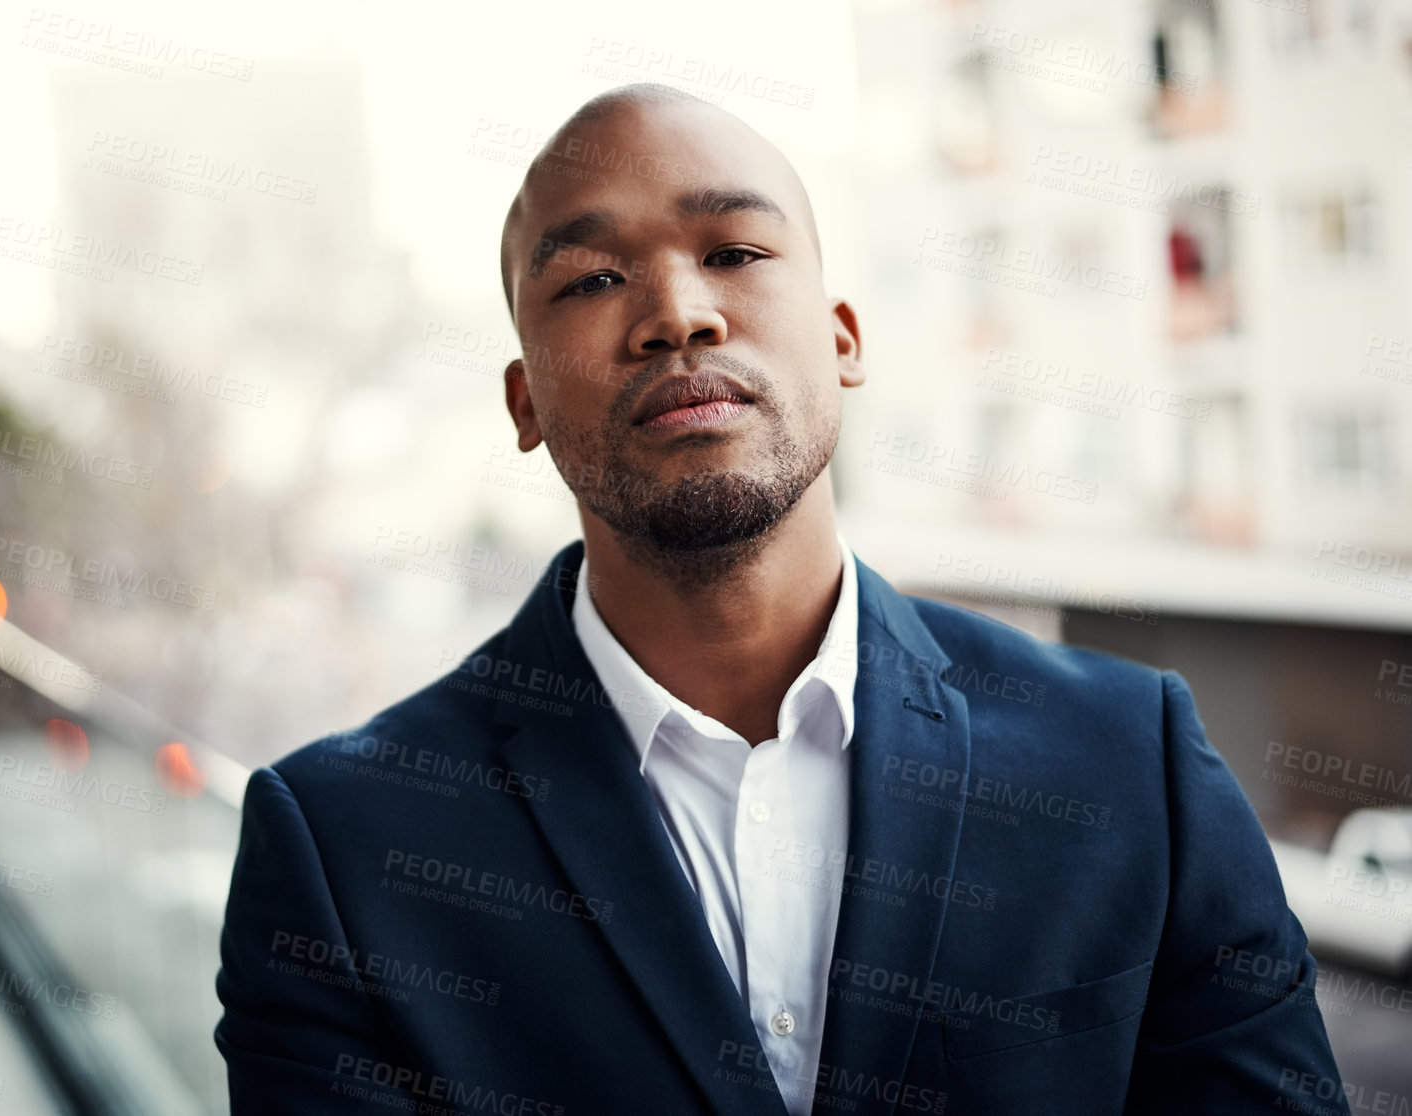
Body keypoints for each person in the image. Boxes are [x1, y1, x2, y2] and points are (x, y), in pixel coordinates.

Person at [214, 83, 1343, 1115]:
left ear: (843, 339)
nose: (676, 313)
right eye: (592, 279)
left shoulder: (1126, 764)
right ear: (523, 403)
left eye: (736, 250)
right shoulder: (340, 853)